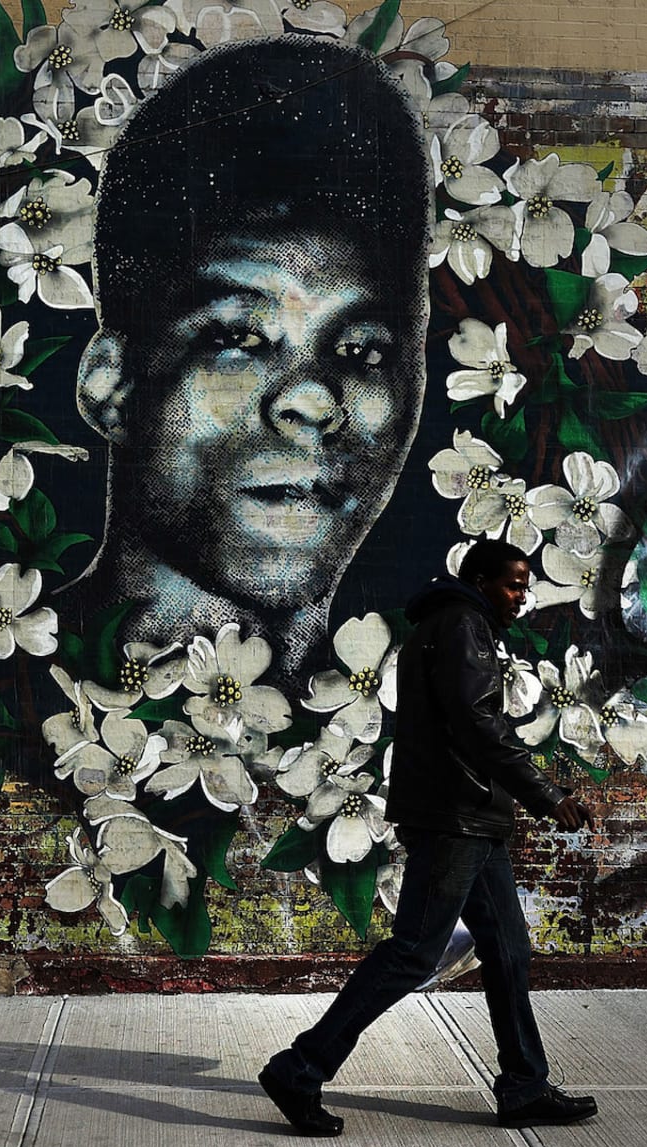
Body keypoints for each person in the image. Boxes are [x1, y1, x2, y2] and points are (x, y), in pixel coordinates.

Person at [61, 36, 433, 684]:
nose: (315, 399)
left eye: (363, 350)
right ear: (112, 384)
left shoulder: (436, 721)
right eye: (237, 340)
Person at [260, 538, 601, 1136]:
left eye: (525, 585)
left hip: (474, 819)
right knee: (415, 950)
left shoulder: (452, 624)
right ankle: (301, 1067)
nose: (523, 596)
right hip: (456, 817)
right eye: (513, 584)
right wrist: (546, 796)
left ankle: (524, 1085)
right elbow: (478, 725)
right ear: (478, 579)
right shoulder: (462, 625)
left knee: (507, 949)